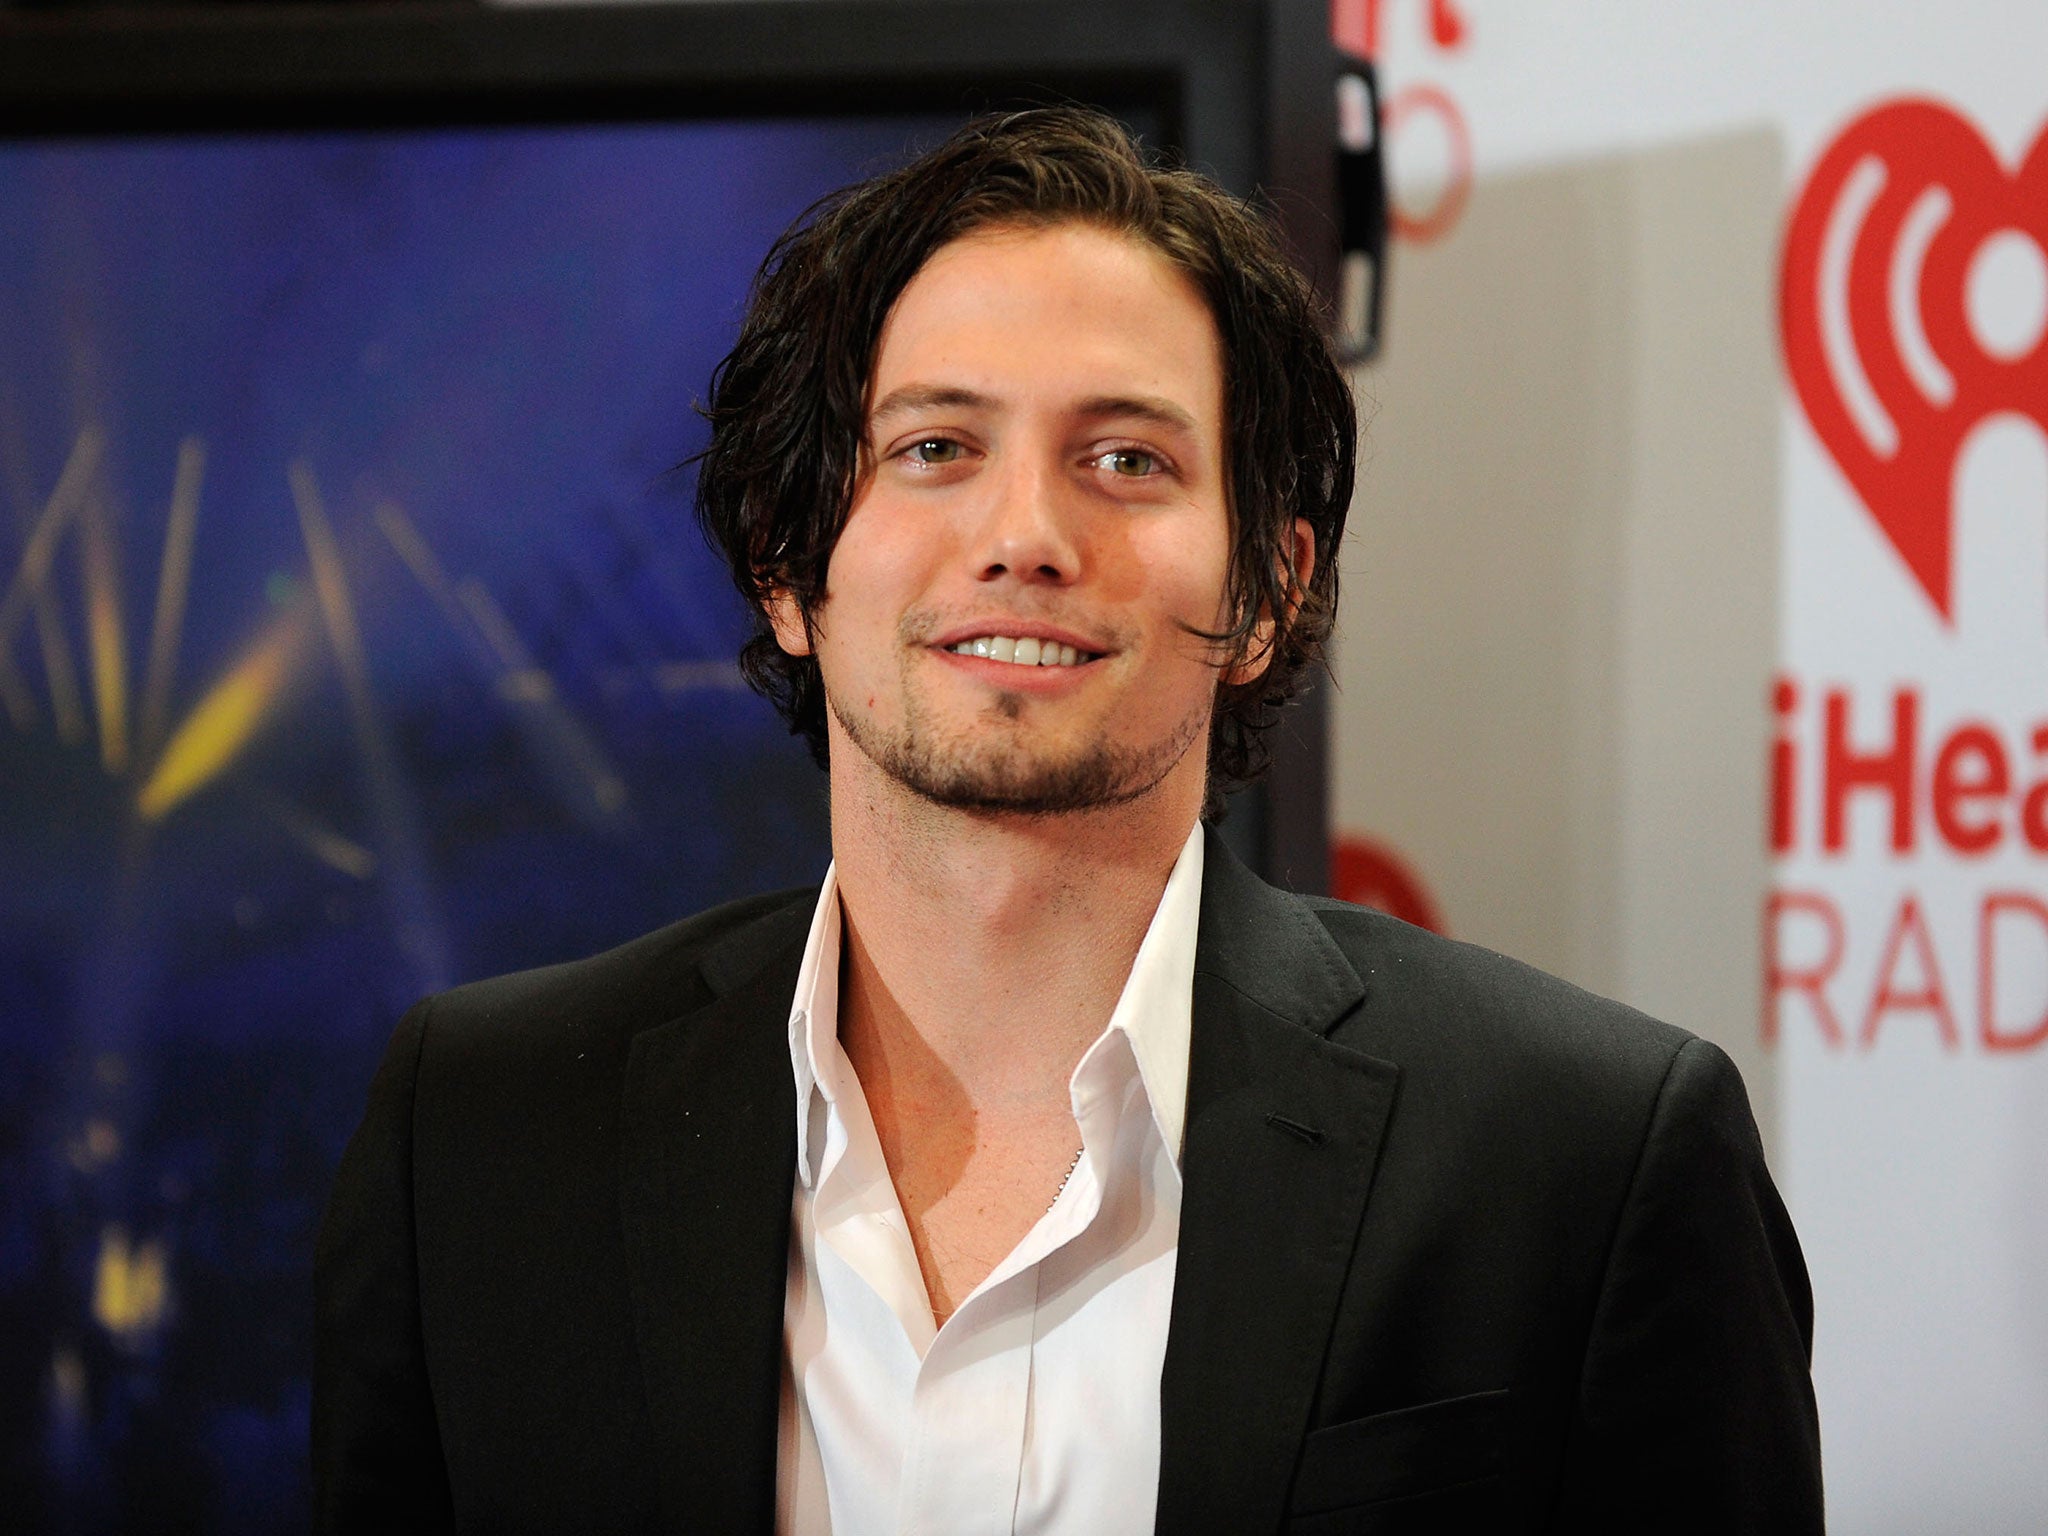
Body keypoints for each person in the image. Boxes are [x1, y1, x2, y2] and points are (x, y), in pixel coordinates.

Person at [313, 107, 1823, 1534]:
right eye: (934, 448)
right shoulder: (483, 1136)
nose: (1028, 536)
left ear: (1271, 591)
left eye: (1127, 460)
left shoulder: (1584, 1159)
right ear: (787, 563)